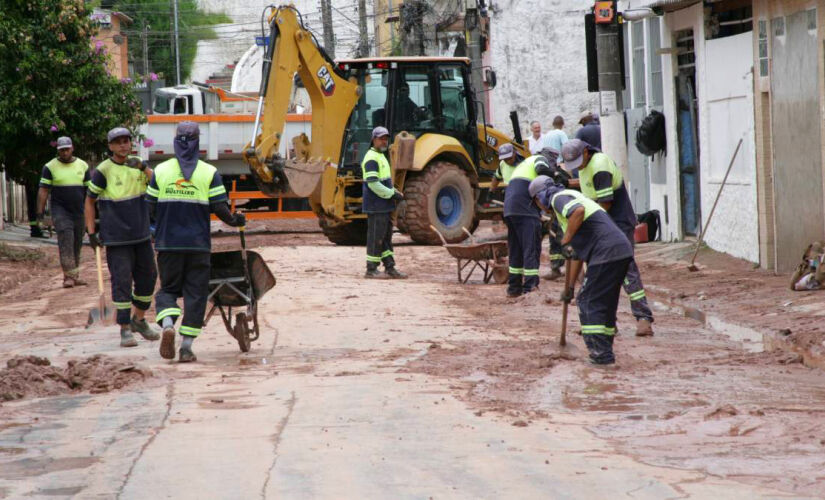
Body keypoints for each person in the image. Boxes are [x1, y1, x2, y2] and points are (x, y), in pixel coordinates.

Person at [146, 121, 246, 362]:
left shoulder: (160, 171)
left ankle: (168, 324)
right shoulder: (209, 173)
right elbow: (220, 208)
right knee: (196, 294)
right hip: (198, 246)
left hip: (168, 245)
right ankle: (187, 347)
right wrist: (235, 220)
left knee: (168, 290)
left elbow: (149, 208)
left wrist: (154, 230)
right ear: (198, 143)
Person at [531, 177, 634, 365]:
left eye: (537, 202)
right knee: (606, 302)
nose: (540, 207)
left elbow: (578, 212)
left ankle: (600, 356)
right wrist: (569, 288)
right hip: (620, 250)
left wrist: (566, 239)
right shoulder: (572, 197)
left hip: (606, 252)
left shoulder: (558, 198)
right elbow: (576, 256)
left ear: (540, 196)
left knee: (587, 300)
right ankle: (605, 351)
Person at [561, 139, 655, 336]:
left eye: (579, 161)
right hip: (601, 224)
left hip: (617, 221)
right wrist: (568, 182)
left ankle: (643, 318)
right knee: (598, 273)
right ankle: (605, 322)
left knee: (626, 270)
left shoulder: (600, 165)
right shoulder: (585, 165)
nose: (577, 166)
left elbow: (605, 203)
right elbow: (589, 185)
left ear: (586, 152)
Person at [86, 128, 159, 347]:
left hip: (142, 235)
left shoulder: (137, 165)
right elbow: (89, 201)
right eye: (117, 142)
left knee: (148, 279)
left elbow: (158, 183)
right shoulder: (103, 170)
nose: (123, 146)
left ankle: (139, 319)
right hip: (117, 239)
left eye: (126, 141)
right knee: (122, 283)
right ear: (110, 146)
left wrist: (144, 167)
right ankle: (125, 328)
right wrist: (91, 232)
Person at [499, 144, 556, 296]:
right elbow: (543, 171)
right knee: (531, 248)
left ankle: (514, 288)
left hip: (510, 209)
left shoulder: (524, 164)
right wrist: (556, 176)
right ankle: (530, 288)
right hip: (525, 209)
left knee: (516, 249)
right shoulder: (539, 159)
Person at [37, 137, 90, 287]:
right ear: (58, 150)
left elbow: (90, 191)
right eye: (62, 150)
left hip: (79, 211)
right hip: (61, 211)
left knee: (77, 242)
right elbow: (43, 190)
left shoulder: (83, 165)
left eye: (67, 149)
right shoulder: (50, 167)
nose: (65, 152)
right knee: (66, 240)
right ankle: (68, 277)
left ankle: (75, 275)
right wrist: (40, 213)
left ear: (72, 148)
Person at [361, 126, 407, 279]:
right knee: (376, 237)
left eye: (386, 138)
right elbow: (373, 184)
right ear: (373, 139)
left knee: (386, 238)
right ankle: (371, 269)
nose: (384, 141)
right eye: (381, 138)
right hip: (376, 206)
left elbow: (384, 181)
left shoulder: (381, 156)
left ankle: (390, 267)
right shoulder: (371, 158)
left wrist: (394, 192)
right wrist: (392, 194)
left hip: (384, 205)